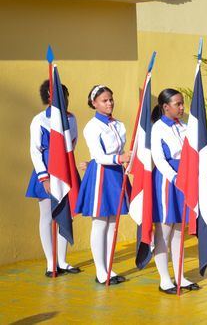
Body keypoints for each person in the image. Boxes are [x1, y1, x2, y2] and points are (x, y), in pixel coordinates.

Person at [75, 85, 131, 285]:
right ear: (94, 103)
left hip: (116, 174)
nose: (109, 103)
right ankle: (100, 270)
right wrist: (121, 157)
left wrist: (126, 160)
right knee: (100, 223)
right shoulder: (92, 127)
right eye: (104, 101)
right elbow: (99, 156)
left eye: (110, 99)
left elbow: (120, 151)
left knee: (113, 223)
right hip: (100, 176)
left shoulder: (119, 125)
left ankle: (109, 267)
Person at [26, 80, 81, 277]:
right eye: (59, 95)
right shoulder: (39, 120)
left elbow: (71, 144)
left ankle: (62, 260)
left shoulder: (71, 118)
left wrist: (66, 170)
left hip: (65, 171)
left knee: (66, 214)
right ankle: (50, 263)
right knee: (47, 217)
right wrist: (45, 178)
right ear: (49, 97)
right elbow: (35, 151)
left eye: (65, 95)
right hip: (47, 172)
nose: (64, 100)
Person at [150, 88, 199, 294]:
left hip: (184, 180)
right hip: (167, 181)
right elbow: (159, 159)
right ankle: (164, 279)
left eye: (182, 103)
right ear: (165, 107)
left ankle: (180, 275)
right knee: (164, 231)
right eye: (177, 104)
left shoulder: (185, 126)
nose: (181, 107)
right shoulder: (158, 128)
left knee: (179, 230)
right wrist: (175, 178)